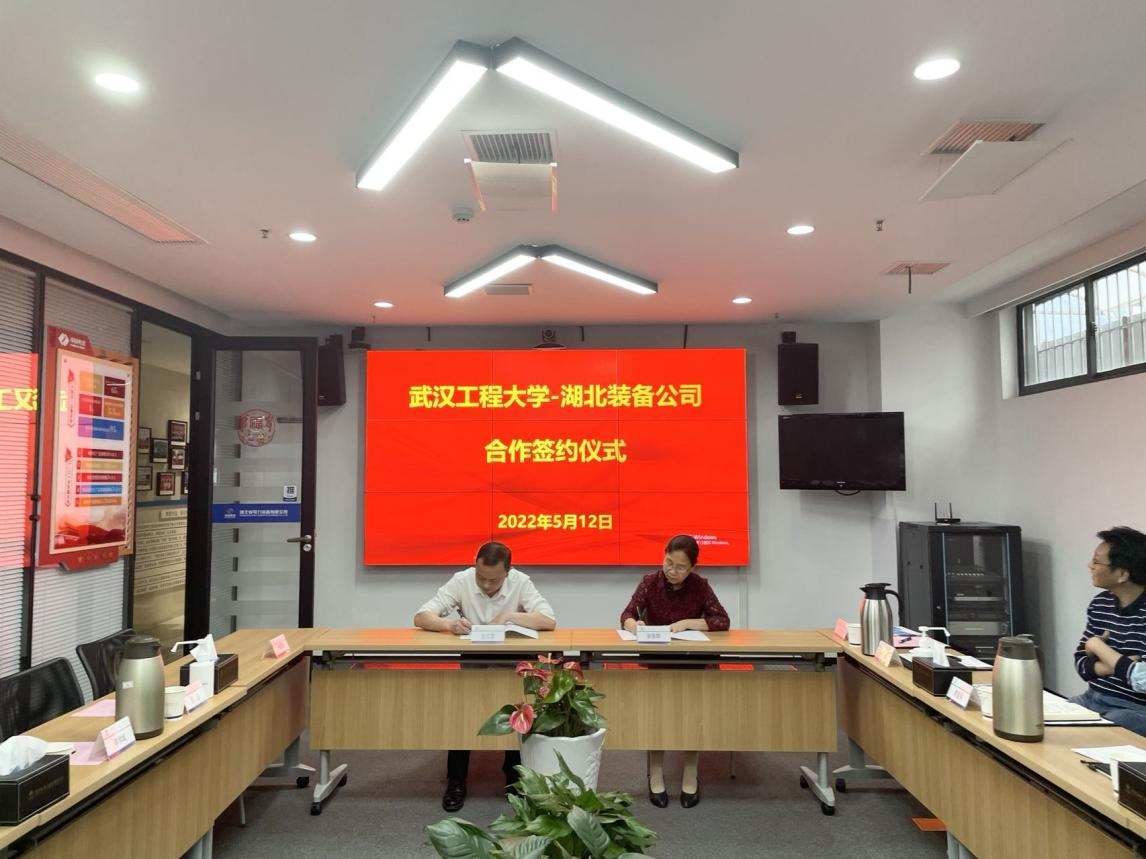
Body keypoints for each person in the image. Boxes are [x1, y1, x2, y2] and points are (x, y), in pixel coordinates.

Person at [414, 541, 556, 812]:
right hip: (474, 660)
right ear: (475, 565)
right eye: (482, 578)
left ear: (508, 572)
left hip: (511, 661)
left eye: (494, 580)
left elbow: (548, 620)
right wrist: (449, 624)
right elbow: (421, 616)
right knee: (462, 715)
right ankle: (456, 780)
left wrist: (509, 617)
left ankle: (514, 778)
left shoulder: (520, 581)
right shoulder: (462, 580)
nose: (487, 585)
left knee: (515, 712)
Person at [620, 534, 730, 809]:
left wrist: (688, 623)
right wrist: (634, 625)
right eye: (669, 562)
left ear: (692, 567)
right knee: (658, 717)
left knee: (692, 718)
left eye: (681, 567)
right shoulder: (650, 582)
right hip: (658, 660)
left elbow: (722, 620)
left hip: (692, 662)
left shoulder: (700, 586)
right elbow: (627, 614)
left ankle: (690, 772)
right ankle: (656, 773)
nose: (672, 571)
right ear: (664, 555)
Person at [1071, 526, 1146, 736]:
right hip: (1093, 698)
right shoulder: (1100, 603)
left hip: (1135, 709)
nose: (1090, 566)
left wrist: (1096, 646)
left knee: (1098, 734)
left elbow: (1141, 681)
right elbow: (1081, 665)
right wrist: (1119, 664)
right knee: (1045, 720)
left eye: (1097, 562)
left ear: (1122, 574)